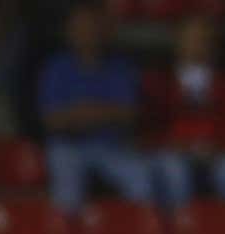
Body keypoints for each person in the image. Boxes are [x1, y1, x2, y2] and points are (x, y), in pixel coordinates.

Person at [38, 1, 152, 215]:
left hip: (112, 147)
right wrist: (106, 112)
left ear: (103, 30)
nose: (86, 33)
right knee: (67, 198)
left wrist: (81, 112)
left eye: (91, 27)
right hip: (68, 147)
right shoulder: (56, 69)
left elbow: (129, 114)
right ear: (69, 32)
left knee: (142, 182)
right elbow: (52, 120)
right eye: (79, 28)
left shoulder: (121, 68)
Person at [146, 15, 225, 210]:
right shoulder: (159, 81)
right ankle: (180, 229)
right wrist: (171, 143)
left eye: (203, 39)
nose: (196, 45)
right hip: (171, 150)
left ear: (213, 45)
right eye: (190, 38)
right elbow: (148, 125)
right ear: (178, 42)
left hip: (217, 150)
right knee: (173, 170)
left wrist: (217, 146)